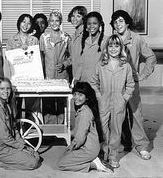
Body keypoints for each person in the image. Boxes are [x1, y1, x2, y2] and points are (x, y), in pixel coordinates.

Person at [110, 10, 157, 160]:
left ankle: (142, 146)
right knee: (117, 115)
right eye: (115, 22)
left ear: (127, 22)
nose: (118, 24)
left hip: (131, 83)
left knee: (136, 115)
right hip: (116, 83)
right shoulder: (112, 39)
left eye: (121, 21)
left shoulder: (136, 39)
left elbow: (151, 57)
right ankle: (119, 146)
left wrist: (141, 75)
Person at [90, 34, 135, 168]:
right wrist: (98, 95)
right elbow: (93, 82)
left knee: (116, 130)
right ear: (106, 48)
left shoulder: (125, 66)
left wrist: (124, 98)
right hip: (104, 102)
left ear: (121, 48)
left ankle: (113, 156)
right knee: (103, 129)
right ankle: (104, 154)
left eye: (116, 45)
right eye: (110, 46)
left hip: (119, 103)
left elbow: (130, 84)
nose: (113, 49)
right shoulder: (101, 64)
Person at [0, 77, 41, 170]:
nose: (6, 91)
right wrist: (22, 148)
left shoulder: (7, 105)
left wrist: (24, 145)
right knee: (34, 163)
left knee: (36, 155)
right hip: (0, 149)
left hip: (10, 144)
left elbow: (15, 130)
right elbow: (5, 137)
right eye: (2, 89)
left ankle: (12, 158)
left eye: (8, 88)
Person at [58, 82, 113, 173]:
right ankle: (93, 159)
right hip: (86, 146)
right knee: (66, 155)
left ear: (87, 97)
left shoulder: (85, 113)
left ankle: (94, 164)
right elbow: (78, 131)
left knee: (62, 164)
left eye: (80, 95)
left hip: (88, 149)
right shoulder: (83, 109)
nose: (76, 97)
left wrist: (72, 146)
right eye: (75, 94)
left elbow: (80, 137)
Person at [39, 9, 70, 124]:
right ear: (48, 22)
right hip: (48, 76)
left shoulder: (66, 37)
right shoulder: (44, 37)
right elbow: (40, 57)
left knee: (62, 103)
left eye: (57, 20)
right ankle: (49, 129)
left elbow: (72, 57)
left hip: (62, 76)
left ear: (61, 22)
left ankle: (61, 127)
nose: (54, 23)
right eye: (52, 21)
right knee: (48, 103)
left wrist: (64, 64)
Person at [5, 14, 39, 117]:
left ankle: (29, 128)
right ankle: (16, 128)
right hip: (16, 77)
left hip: (31, 78)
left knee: (31, 105)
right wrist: (20, 50)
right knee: (15, 104)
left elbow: (37, 59)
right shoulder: (11, 40)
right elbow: (8, 59)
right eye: (23, 22)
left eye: (29, 23)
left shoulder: (34, 40)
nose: (26, 25)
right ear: (19, 23)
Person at [74, 11, 107, 83]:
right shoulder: (84, 41)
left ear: (100, 24)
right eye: (89, 24)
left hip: (99, 83)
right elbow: (81, 64)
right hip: (84, 82)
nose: (91, 26)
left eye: (95, 23)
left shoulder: (106, 41)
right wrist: (76, 78)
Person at [63, 6, 87, 82]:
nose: (74, 19)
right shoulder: (73, 36)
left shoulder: (86, 35)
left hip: (83, 76)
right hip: (75, 73)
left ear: (84, 18)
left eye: (78, 16)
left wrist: (77, 77)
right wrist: (64, 64)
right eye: (73, 16)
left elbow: (84, 60)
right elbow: (73, 56)